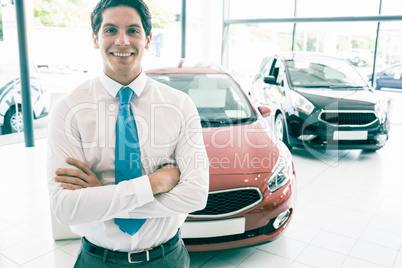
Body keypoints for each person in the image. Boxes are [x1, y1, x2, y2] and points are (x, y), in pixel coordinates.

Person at [46, 0, 209, 267]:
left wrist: (102, 196)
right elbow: (66, 209)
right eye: (110, 30)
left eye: (133, 30)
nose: (122, 41)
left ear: (148, 39)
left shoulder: (180, 106)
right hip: (98, 260)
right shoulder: (69, 109)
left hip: (167, 258)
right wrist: (155, 184)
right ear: (95, 38)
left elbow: (195, 196)